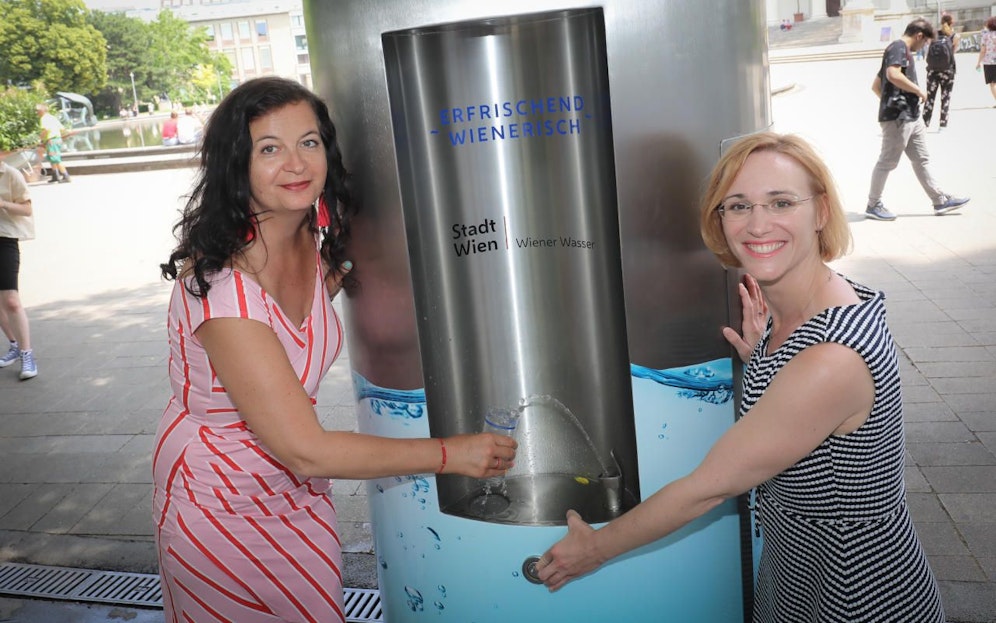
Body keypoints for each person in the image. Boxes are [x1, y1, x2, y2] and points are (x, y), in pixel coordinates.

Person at [536, 132, 945, 622]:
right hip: (800, 569)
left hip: (854, 590)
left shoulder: (830, 358)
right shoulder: (803, 310)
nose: (757, 224)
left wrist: (595, 548)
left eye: (780, 202)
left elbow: (707, 487)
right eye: (737, 205)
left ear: (820, 212)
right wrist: (768, 360)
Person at [154, 77, 517, 622]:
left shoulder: (307, 239)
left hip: (293, 492)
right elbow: (308, 449)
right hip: (219, 501)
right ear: (237, 165)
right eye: (269, 148)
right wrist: (451, 454)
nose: (296, 164)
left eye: (309, 142)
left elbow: (294, 328)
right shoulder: (226, 294)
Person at [864, 18, 968, 221]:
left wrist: (891, 101)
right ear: (919, 36)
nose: (924, 47)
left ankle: (939, 200)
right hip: (899, 118)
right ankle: (873, 204)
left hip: (912, 116)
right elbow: (892, 74)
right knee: (887, 162)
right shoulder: (898, 47)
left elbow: (876, 85)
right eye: (925, 42)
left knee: (921, 159)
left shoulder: (899, 51)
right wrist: (918, 92)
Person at [0, 162, 37, 380]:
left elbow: (26, 209)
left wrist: (3, 203)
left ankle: (27, 354)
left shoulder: (10, 174)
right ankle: (14, 344)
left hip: (5, 239)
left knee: (11, 300)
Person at [922, 13, 961, 129]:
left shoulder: (934, 34)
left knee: (930, 97)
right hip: (947, 71)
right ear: (952, 23)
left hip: (932, 71)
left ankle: (925, 123)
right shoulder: (955, 36)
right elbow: (953, 52)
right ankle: (943, 124)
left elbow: (928, 47)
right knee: (945, 97)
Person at [35, 104, 70, 184]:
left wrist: (40, 139)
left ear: (42, 110)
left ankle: (66, 176)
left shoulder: (43, 119)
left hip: (52, 141)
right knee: (52, 158)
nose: (37, 112)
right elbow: (62, 129)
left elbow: (45, 130)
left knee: (55, 158)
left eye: (38, 110)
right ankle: (55, 175)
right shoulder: (52, 117)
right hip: (57, 139)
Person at [977, 16, 996, 106]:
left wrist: (978, 63)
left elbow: (983, 50)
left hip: (989, 62)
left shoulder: (986, 35)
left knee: (992, 84)